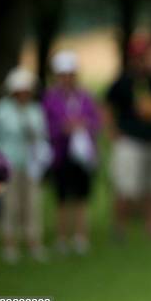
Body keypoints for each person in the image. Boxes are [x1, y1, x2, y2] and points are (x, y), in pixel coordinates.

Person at [105, 35, 151, 240]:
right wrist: (112, 131)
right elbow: (108, 105)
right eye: (139, 57)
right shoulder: (123, 81)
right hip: (130, 140)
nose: (143, 61)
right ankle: (119, 229)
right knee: (126, 188)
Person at [0, 68, 51, 263]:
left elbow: (42, 134)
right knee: (10, 204)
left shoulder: (35, 109)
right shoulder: (1, 109)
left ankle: (33, 242)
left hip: (31, 163)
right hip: (7, 163)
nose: (24, 94)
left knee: (32, 203)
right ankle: (10, 244)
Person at [43, 51, 100, 254]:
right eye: (63, 74)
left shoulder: (85, 97)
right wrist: (62, 128)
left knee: (81, 197)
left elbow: (96, 121)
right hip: (61, 153)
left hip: (82, 155)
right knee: (62, 197)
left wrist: (84, 124)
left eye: (70, 74)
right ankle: (61, 236)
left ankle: (80, 236)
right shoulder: (51, 98)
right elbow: (46, 125)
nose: (67, 78)